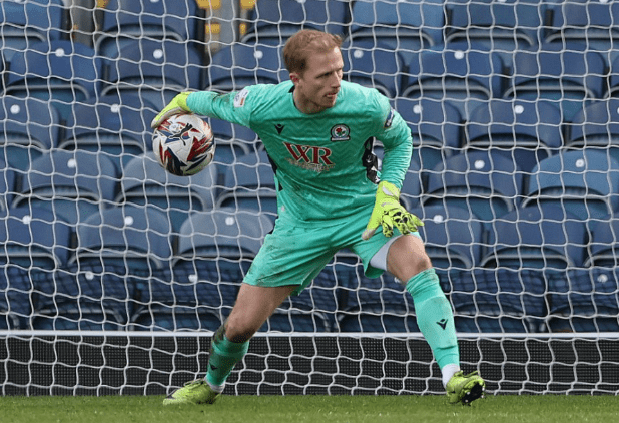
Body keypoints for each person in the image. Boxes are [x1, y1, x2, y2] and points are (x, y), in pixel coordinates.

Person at [151, 29, 485, 406]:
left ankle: (453, 377)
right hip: (300, 223)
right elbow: (205, 101)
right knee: (240, 326)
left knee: (420, 266)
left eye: (340, 71)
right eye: (324, 76)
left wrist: (388, 196)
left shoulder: (365, 104)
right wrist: (178, 104)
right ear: (295, 79)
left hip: (364, 213)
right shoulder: (259, 105)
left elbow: (401, 140)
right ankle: (210, 386)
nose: (336, 83)